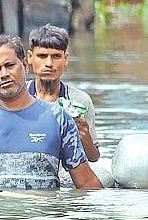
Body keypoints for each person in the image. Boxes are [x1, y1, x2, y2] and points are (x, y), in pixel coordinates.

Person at [0, 35, 102, 190]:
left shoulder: (58, 118)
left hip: (42, 218)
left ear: (25, 65)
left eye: (10, 66)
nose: (4, 74)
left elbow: (87, 183)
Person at [26, 24, 100, 162]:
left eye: (56, 56)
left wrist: (84, 135)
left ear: (65, 58)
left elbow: (94, 158)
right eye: (42, 56)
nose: (49, 63)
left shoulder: (80, 101)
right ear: (30, 58)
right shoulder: (18, 97)